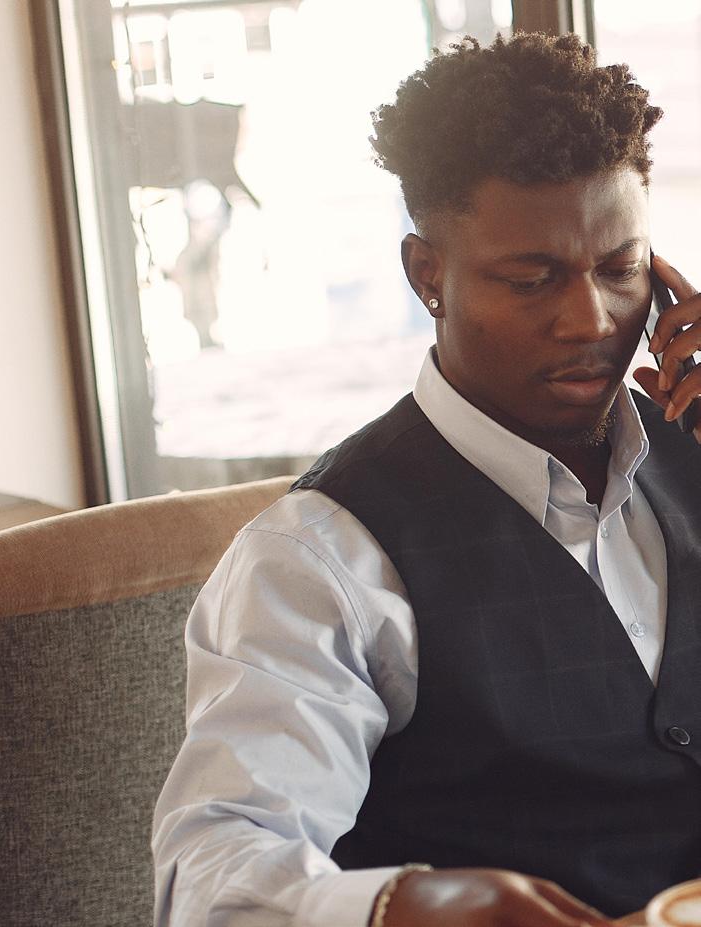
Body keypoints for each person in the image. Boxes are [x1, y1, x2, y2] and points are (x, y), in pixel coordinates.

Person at [153, 32, 701, 927]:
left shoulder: (693, 448)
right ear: (426, 275)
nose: (589, 319)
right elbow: (212, 873)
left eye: (620, 269)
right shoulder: (319, 559)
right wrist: (398, 904)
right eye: (530, 279)